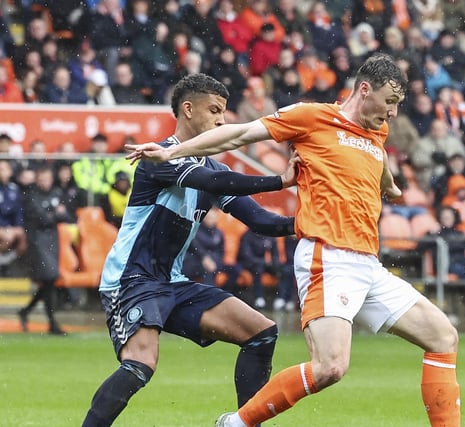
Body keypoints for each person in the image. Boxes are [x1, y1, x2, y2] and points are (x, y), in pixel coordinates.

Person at [127, 54, 461, 427]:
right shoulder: (311, 116)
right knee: (330, 367)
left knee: (443, 335)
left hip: (369, 263)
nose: (393, 114)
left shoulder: (375, 131)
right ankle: (236, 423)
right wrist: (172, 152)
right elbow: (239, 133)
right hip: (328, 257)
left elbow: (378, 161)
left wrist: (391, 187)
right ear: (364, 90)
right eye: (389, 103)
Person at [81, 73, 299, 426]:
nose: (221, 121)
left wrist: (306, 223)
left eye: (224, 113)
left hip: (173, 283)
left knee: (261, 334)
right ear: (187, 109)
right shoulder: (159, 158)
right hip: (132, 280)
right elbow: (213, 182)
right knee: (140, 365)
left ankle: (245, 424)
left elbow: (260, 221)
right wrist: (279, 181)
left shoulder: (213, 166)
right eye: (214, 110)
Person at [18, 165, 75, 334]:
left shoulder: (56, 193)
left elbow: (68, 216)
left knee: (49, 280)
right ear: (37, 179)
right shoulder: (31, 195)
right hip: (37, 242)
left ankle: (26, 311)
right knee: (49, 278)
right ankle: (52, 323)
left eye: (48, 179)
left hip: (52, 242)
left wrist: (53, 214)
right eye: (42, 179)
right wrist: (55, 214)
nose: (45, 182)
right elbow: (42, 218)